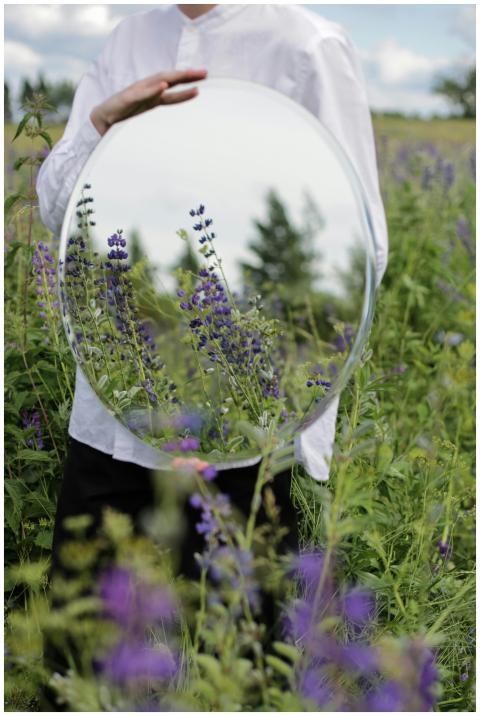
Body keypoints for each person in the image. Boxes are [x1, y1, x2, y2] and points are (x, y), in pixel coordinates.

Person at [37, 3, 387, 583]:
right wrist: (99, 124)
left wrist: (255, 400)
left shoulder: (306, 46)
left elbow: (360, 250)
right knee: (82, 652)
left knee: (241, 656)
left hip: (245, 430)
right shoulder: (127, 41)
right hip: (113, 407)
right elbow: (58, 213)